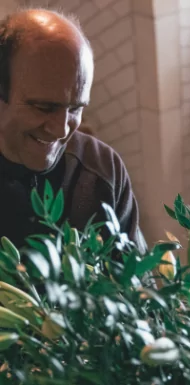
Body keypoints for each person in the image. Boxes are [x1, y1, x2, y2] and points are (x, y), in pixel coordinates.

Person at [0, 7, 146, 253]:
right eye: (44, 107)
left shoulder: (102, 170)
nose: (61, 130)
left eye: (76, 109)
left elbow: (137, 285)